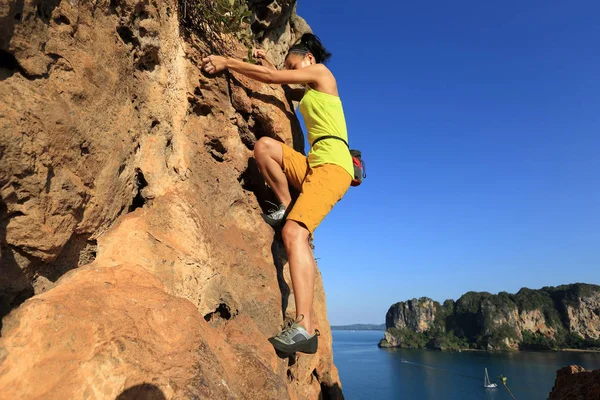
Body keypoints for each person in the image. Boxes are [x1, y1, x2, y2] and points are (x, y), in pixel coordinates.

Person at [201, 33, 354, 355]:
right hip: (313, 164)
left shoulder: (323, 74)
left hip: (333, 167)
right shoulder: (310, 88)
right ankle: (286, 206)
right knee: (265, 148)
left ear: (309, 59)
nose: (291, 70)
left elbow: (273, 79)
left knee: (294, 234)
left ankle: (305, 327)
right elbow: (282, 84)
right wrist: (272, 67)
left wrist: (227, 62)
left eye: (293, 64)